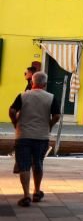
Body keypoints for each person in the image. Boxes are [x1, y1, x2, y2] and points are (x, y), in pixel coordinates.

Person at [9, 71, 61, 207]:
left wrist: (15, 122)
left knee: (24, 165)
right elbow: (56, 116)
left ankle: (26, 195)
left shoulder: (23, 95)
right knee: (37, 163)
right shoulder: (51, 97)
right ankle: (37, 191)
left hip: (23, 135)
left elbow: (12, 110)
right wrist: (49, 125)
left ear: (32, 82)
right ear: (44, 84)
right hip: (41, 136)